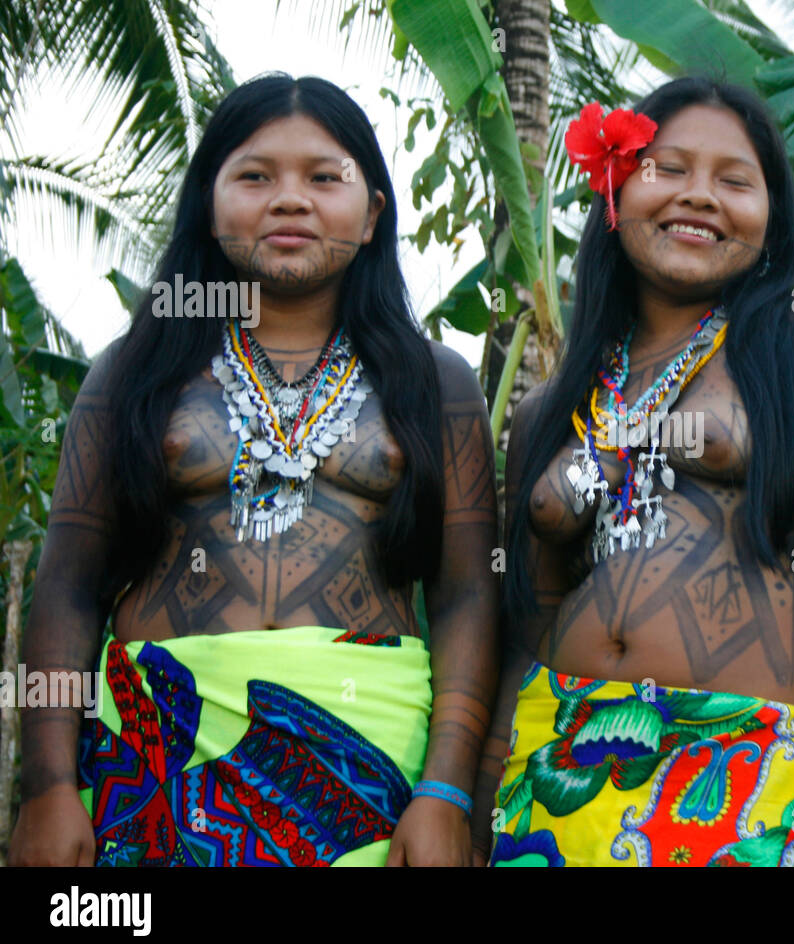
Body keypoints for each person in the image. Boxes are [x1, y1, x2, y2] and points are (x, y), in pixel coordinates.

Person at [11, 74, 498, 867]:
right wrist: (48, 786)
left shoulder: (435, 383)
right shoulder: (132, 374)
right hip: (153, 749)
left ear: (373, 213)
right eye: (254, 175)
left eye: (324, 177)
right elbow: (66, 585)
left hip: (370, 756)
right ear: (209, 202)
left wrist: (446, 790)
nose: (289, 200)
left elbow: (468, 596)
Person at [476, 77, 794, 867]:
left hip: (746, 772)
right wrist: (480, 798)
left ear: (771, 218)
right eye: (668, 170)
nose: (701, 197)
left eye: (735, 181)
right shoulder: (553, 405)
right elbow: (523, 631)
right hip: (553, 772)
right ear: (615, 189)